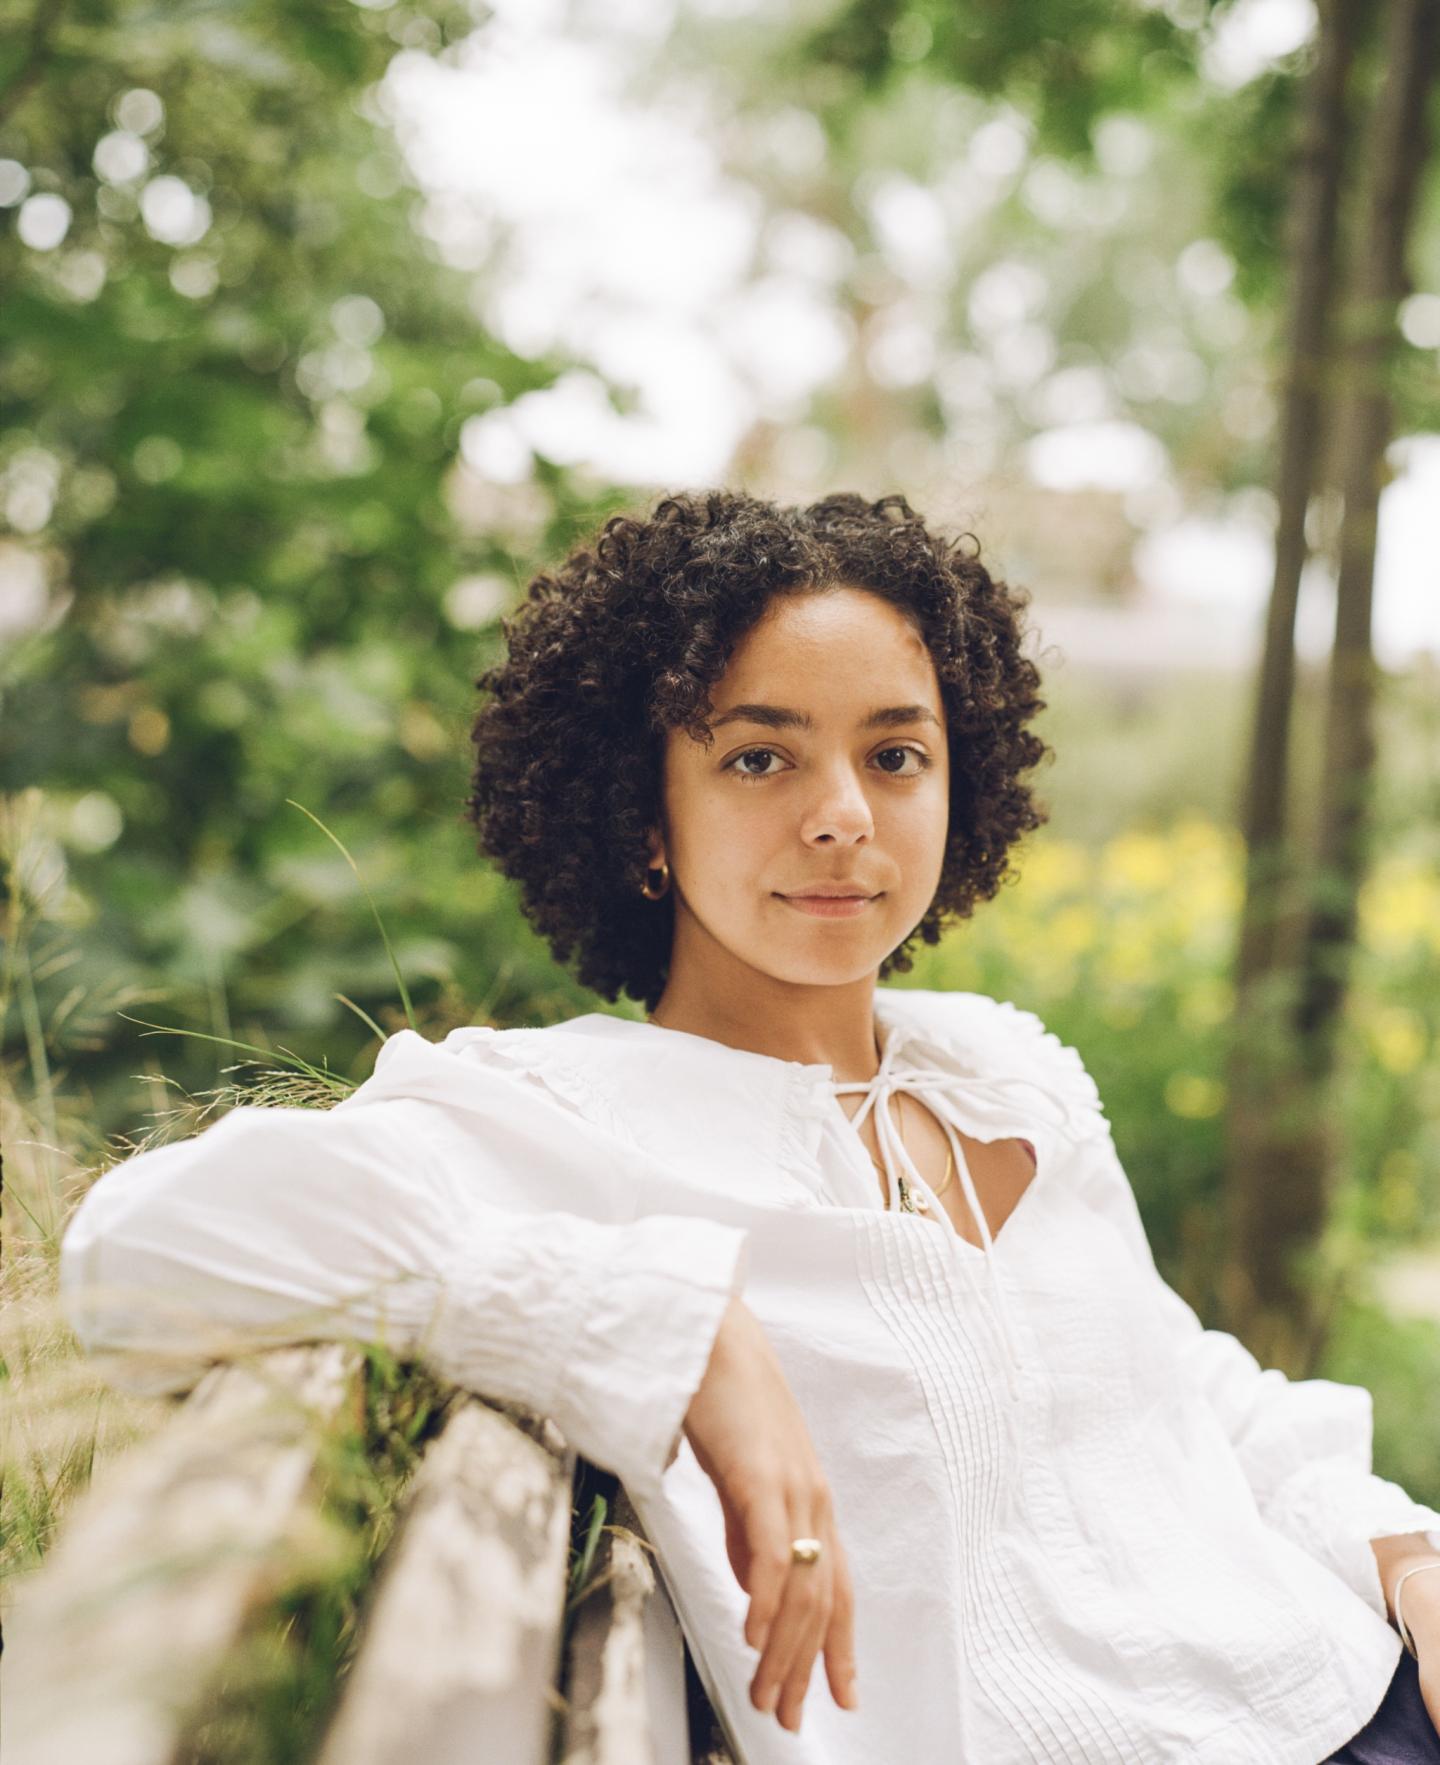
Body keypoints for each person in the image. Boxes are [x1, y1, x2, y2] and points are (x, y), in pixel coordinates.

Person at [59, 490, 1440, 1763]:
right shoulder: (560, 1112)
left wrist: (1401, 1550)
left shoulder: (1007, 1071)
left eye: (895, 752)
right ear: (645, 811)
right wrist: (674, 1326)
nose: (843, 815)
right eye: (760, 756)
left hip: (1355, 1686)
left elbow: (1178, 1387)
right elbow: (130, 1244)